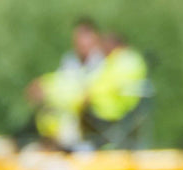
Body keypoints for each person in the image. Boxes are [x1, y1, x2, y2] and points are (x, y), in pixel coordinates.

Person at [24, 17, 105, 149]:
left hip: (90, 113)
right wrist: (42, 87)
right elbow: (60, 82)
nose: (81, 43)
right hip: (67, 109)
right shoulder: (70, 60)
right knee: (43, 109)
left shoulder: (102, 63)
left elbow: (90, 92)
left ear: (95, 39)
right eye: (78, 38)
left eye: (85, 38)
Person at [85, 30, 150, 146]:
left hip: (116, 109)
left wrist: (89, 94)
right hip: (111, 105)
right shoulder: (121, 60)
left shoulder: (125, 61)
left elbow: (113, 85)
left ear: (112, 45)